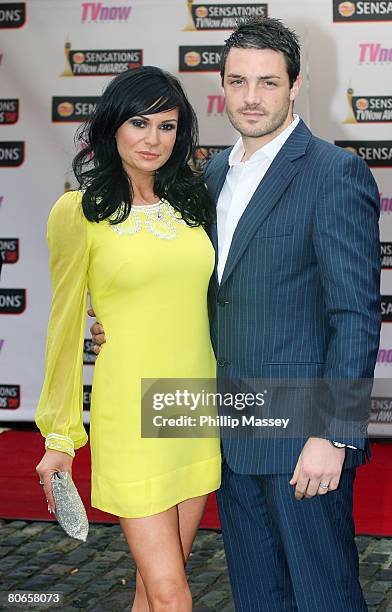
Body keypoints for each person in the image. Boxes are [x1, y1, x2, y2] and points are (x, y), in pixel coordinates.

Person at [92, 17, 381, 612]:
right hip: (225, 428)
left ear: (295, 86)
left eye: (268, 83)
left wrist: (334, 433)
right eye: (238, 81)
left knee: (324, 593)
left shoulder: (333, 173)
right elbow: (203, 289)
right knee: (256, 597)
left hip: (303, 433)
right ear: (222, 86)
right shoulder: (208, 175)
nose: (251, 98)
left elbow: (355, 315)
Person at [35, 66, 221, 612]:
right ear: (112, 126)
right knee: (170, 592)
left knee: (154, 586)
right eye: (140, 122)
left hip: (190, 405)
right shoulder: (79, 213)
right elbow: (65, 327)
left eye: (167, 125)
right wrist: (59, 437)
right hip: (131, 412)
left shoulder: (193, 206)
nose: (153, 139)